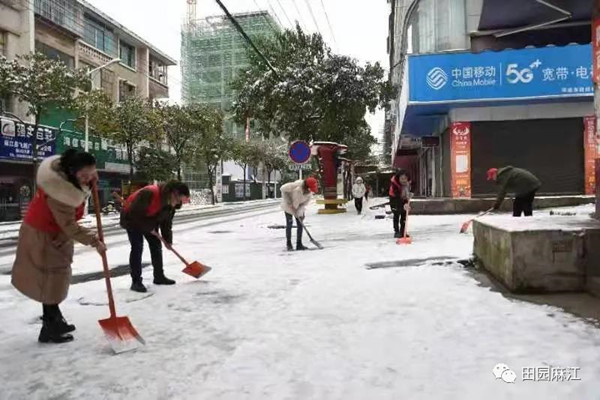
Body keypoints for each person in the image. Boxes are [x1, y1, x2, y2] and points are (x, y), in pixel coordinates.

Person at [11, 150, 106, 344]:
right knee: (49, 278)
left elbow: (69, 218)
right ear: (71, 171)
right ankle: (49, 328)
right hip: (43, 235)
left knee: (56, 278)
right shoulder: (59, 193)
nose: (88, 178)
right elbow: (69, 226)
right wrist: (95, 241)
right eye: (84, 175)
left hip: (54, 232)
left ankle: (56, 319)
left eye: (91, 173)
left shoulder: (69, 179)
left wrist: (89, 178)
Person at [120, 181, 190, 293]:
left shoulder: (170, 205)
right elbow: (134, 213)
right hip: (131, 219)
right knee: (137, 247)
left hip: (150, 220)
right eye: (178, 200)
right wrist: (148, 227)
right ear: (174, 193)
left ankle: (159, 276)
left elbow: (166, 224)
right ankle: (136, 282)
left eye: (181, 201)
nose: (178, 203)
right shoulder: (150, 193)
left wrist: (168, 240)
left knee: (156, 245)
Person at [280, 177, 319, 251]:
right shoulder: (296, 185)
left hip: (298, 208)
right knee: (289, 223)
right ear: (306, 185)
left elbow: (304, 204)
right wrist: (288, 202)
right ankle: (289, 244)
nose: (310, 190)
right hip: (288, 206)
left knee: (300, 225)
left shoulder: (309, 194)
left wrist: (300, 212)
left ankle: (299, 244)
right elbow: (282, 189)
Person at [389, 169, 412, 238]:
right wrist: (403, 204)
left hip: (403, 198)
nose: (403, 180)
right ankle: (396, 231)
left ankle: (403, 231)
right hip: (394, 199)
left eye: (405, 178)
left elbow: (412, 189)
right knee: (396, 214)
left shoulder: (408, 183)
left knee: (404, 215)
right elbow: (397, 196)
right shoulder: (394, 185)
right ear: (398, 178)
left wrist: (411, 194)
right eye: (402, 178)